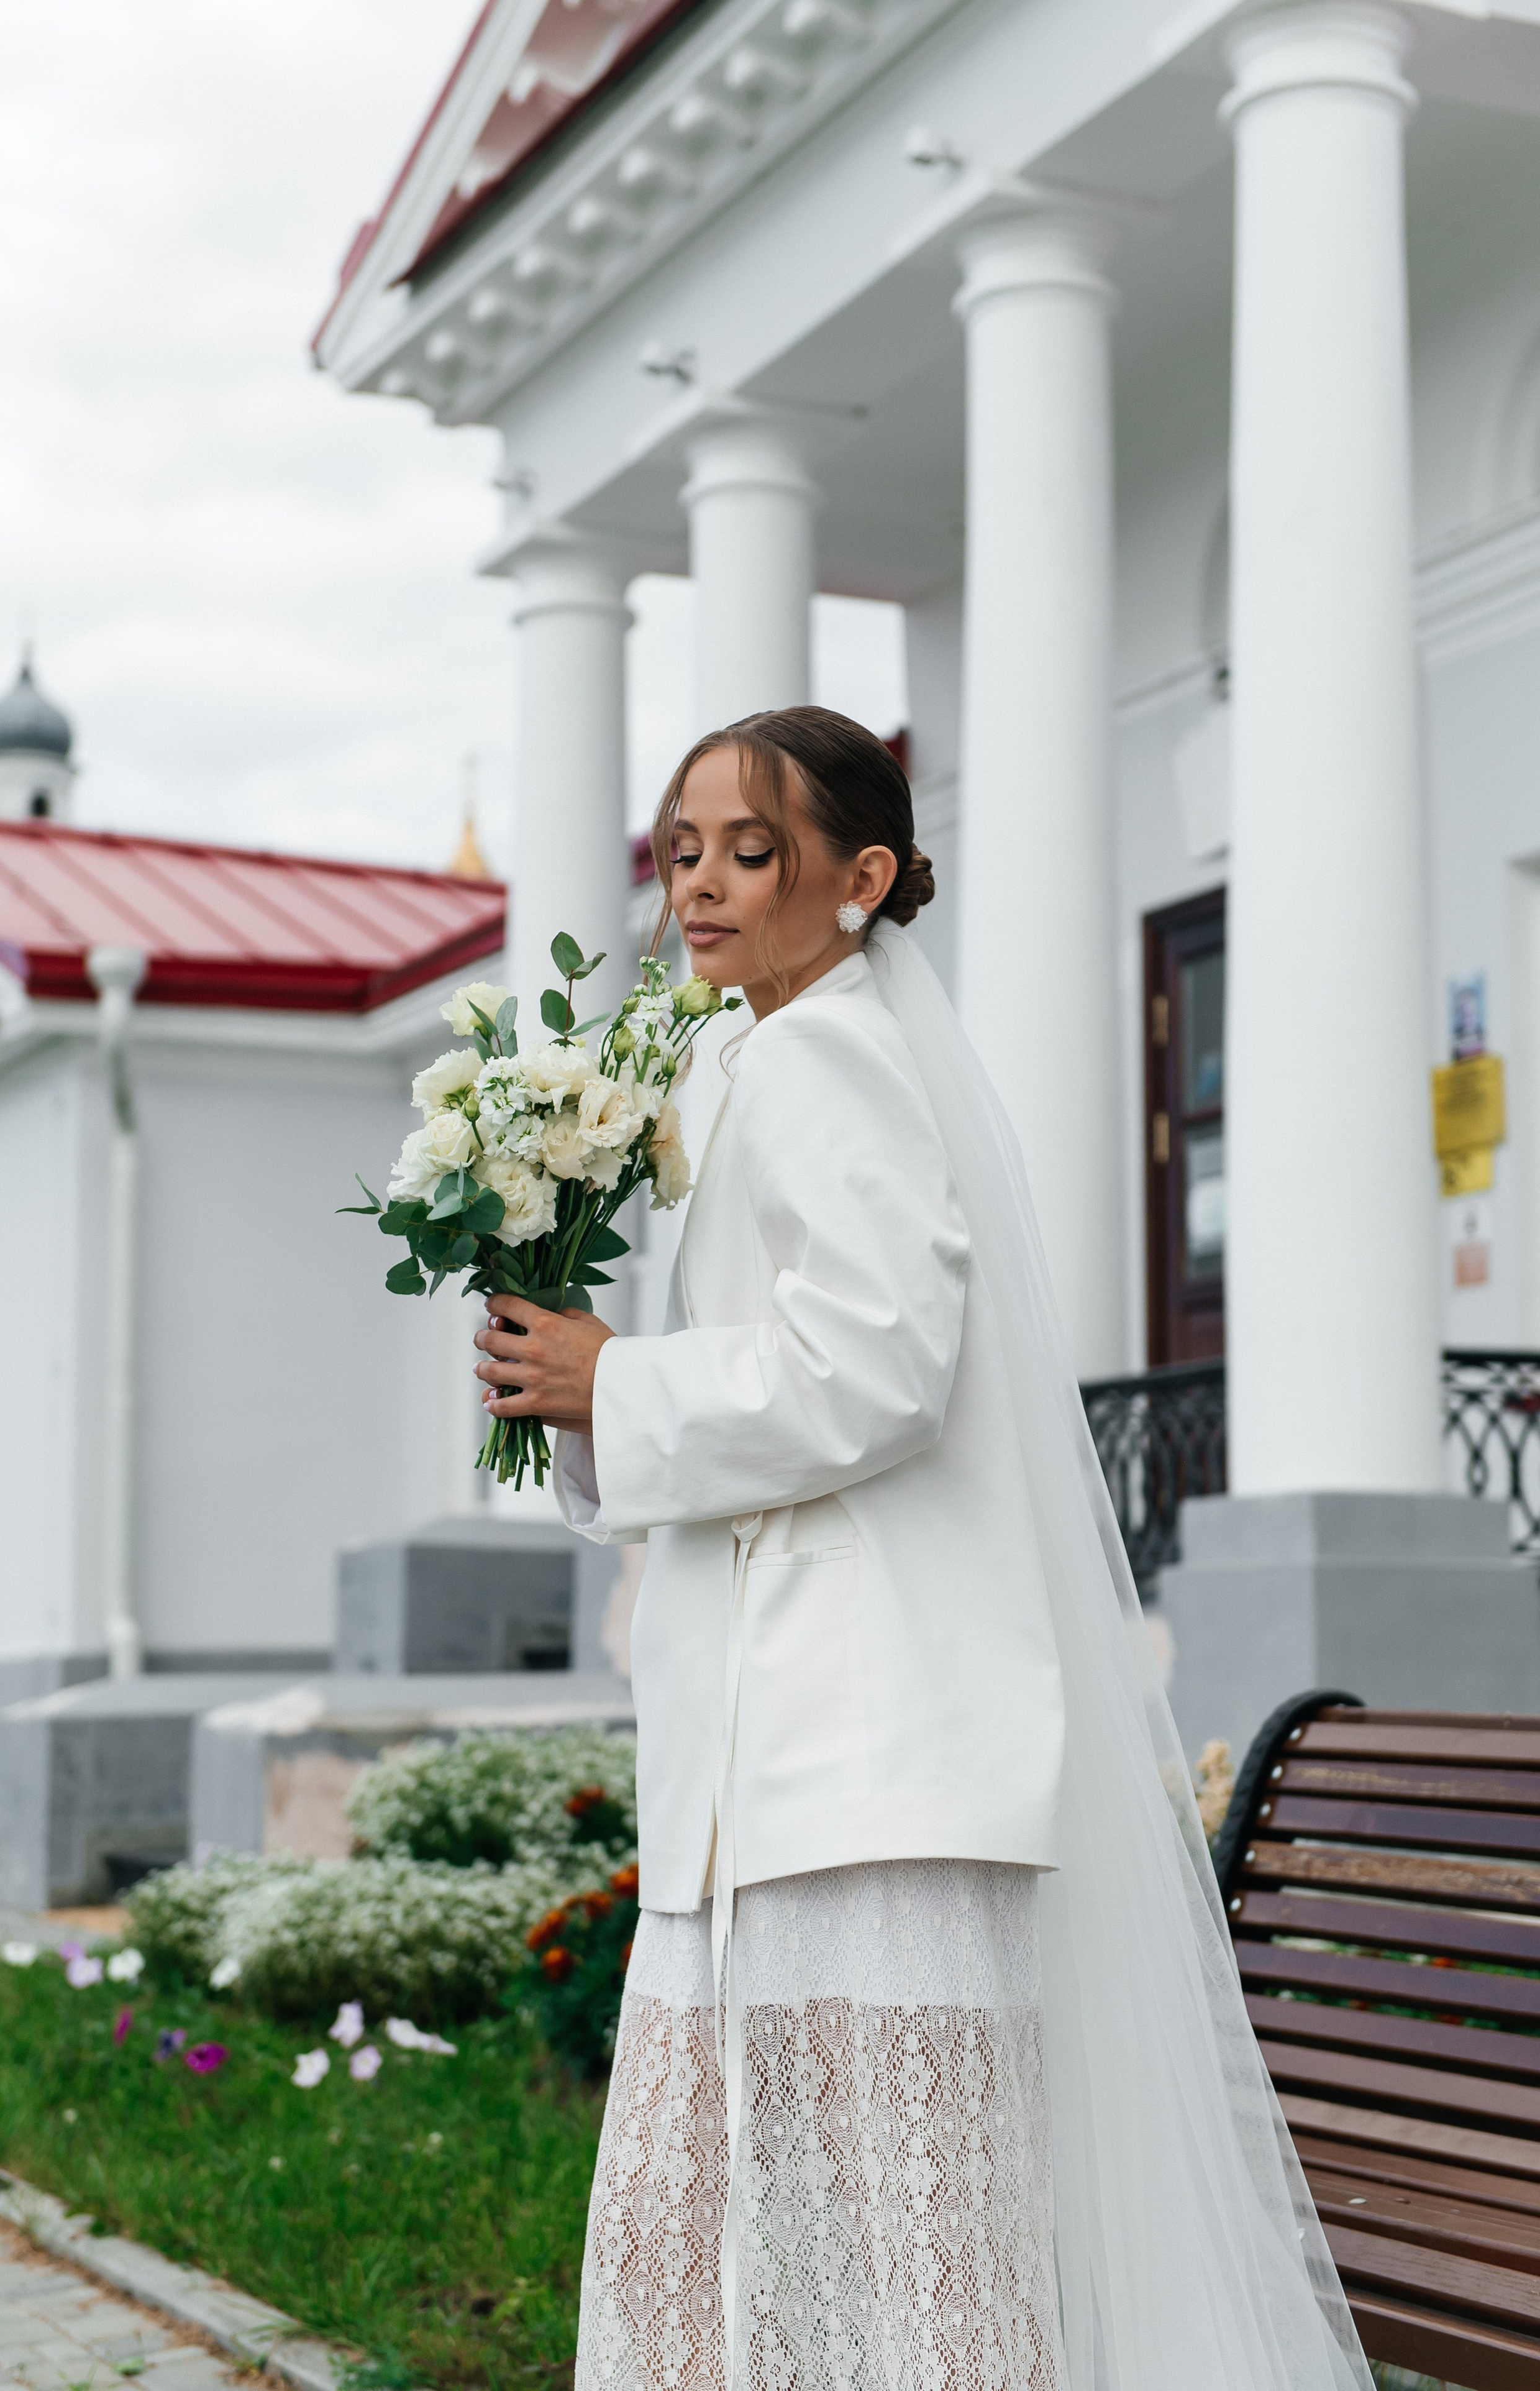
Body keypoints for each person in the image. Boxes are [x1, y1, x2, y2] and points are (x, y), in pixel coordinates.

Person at [473, 707, 1368, 2391]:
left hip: (868, 1744)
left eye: (755, 850)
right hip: (774, 1758)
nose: (705, 885)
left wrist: (624, 1383)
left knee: (907, 2265)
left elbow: (879, 1362)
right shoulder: (743, 1056)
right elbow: (776, 1374)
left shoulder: (833, 1055)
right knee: (769, 2245)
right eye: (683, 851)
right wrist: (582, 1399)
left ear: (864, 878)